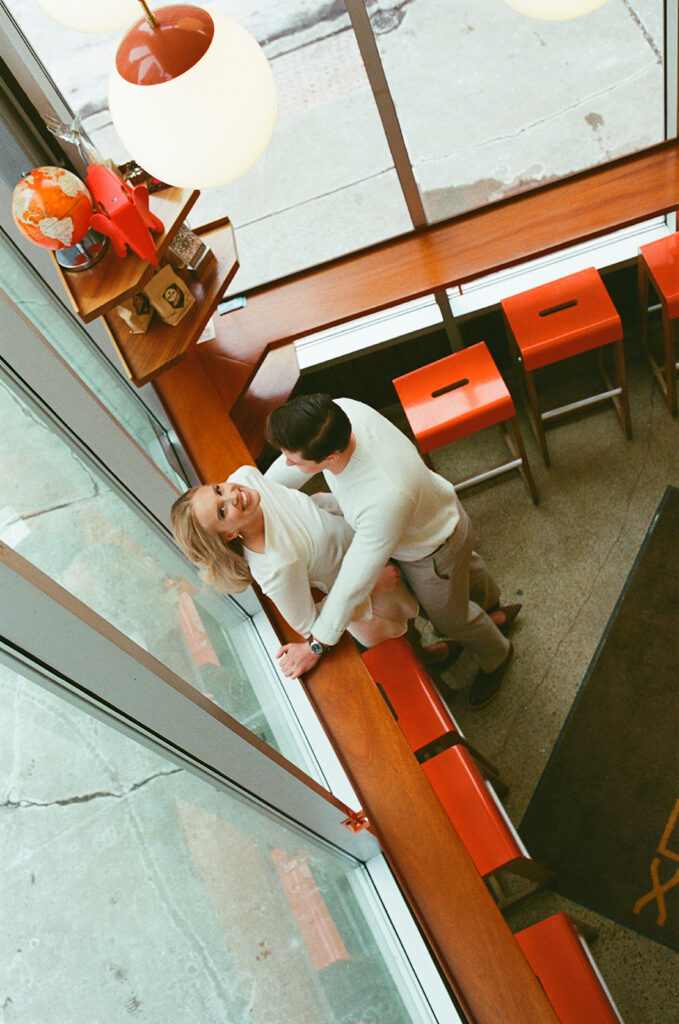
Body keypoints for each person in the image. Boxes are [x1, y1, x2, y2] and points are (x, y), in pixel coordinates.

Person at [265, 394, 519, 708]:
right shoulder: (339, 412)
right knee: (465, 570)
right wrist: (254, 493)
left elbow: (354, 582)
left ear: (330, 457)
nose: (287, 464)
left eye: (294, 459)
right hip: (441, 512)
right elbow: (288, 469)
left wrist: (316, 645)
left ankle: (498, 655)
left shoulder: (383, 498)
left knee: (451, 622)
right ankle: (492, 608)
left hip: (431, 553)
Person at [170, 463, 419, 656]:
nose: (231, 495)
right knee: (417, 620)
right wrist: (369, 586)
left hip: (371, 534)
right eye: (222, 511)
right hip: (378, 586)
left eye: (218, 490)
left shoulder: (246, 478)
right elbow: (310, 626)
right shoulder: (275, 567)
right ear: (229, 535)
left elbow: (292, 487)